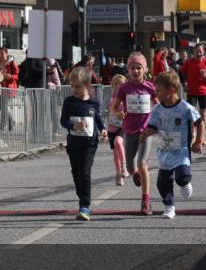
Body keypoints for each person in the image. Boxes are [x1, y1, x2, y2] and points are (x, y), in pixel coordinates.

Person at [141, 71, 204, 219]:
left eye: (159, 90)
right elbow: (153, 127)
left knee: (182, 176)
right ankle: (169, 207)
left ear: (172, 90)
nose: (156, 94)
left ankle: (185, 183)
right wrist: (143, 135)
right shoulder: (157, 110)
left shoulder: (185, 107)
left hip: (181, 150)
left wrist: (198, 141)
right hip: (164, 151)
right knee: (162, 183)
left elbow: (200, 122)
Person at [112, 52, 157, 215]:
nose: (135, 71)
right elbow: (114, 107)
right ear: (128, 70)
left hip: (146, 130)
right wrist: (117, 113)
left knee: (142, 163)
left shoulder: (150, 87)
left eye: (138, 68)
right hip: (129, 130)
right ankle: (135, 174)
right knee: (131, 167)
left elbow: (158, 106)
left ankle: (146, 201)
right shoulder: (124, 88)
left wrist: (159, 119)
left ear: (144, 70)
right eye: (132, 68)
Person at [60, 67, 107, 221]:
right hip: (73, 144)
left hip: (89, 144)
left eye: (78, 86)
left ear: (87, 85)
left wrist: (103, 129)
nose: (75, 89)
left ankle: (84, 206)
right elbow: (63, 121)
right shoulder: (69, 102)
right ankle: (82, 197)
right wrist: (73, 126)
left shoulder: (94, 102)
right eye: (72, 86)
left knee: (85, 172)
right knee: (76, 173)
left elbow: (98, 118)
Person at [180, 44, 206, 144]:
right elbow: (182, 73)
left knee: (203, 114)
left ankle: (202, 136)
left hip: (203, 91)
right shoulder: (189, 62)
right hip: (191, 91)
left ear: (203, 52)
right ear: (193, 52)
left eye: (200, 52)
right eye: (197, 52)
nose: (199, 53)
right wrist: (184, 84)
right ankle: (193, 135)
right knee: (191, 114)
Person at [106, 74, 130, 187]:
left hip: (122, 128)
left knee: (118, 142)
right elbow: (105, 111)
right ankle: (118, 174)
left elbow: (130, 112)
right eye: (115, 84)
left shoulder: (126, 98)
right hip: (112, 128)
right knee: (115, 152)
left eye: (121, 84)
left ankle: (124, 166)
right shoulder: (110, 98)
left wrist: (124, 114)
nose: (118, 86)